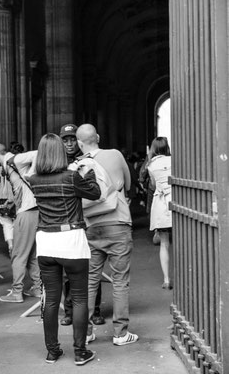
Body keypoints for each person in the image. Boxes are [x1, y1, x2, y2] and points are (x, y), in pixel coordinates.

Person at [27, 133, 101, 365]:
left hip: (46, 242)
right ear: (61, 152)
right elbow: (95, 193)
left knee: (50, 300)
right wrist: (88, 173)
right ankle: (80, 352)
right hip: (72, 240)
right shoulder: (71, 177)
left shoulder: (34, 179)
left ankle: (52, 351)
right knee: (79, 298)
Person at [76, 124, 138, 346]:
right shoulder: (114, 154)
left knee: (91, 280)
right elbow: (128, 184)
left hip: (91, 225)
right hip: (118, 221)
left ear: (79, 143)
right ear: (98, 138)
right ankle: (120, 333)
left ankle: (86, 332)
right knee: (120, 280)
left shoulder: (77, 165)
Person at [59, 123, 105, 326]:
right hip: (68, 220)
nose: (69, 143)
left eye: (71, 139)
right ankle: (69, 311)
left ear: (77, 141)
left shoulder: (87, 160)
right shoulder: (58, 162)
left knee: (92, 266)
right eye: (65, 139)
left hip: (87, 218)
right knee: (69, 269)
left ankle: (94, 310)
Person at [0, 148, 41, 302]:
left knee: (18, 254)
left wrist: (31, 174)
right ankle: (38, 287)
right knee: (32, 255)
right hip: (36, 212)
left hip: (27, 212)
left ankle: (17, 292)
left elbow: (37, 153)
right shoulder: (10, 166)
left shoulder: (13, 160)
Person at [147, 137, 172, 289]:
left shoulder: (151, 165)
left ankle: (167, 279)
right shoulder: (174, 161)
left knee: (164, 243)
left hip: (161, 205)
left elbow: (153, 185)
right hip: (177, 202)